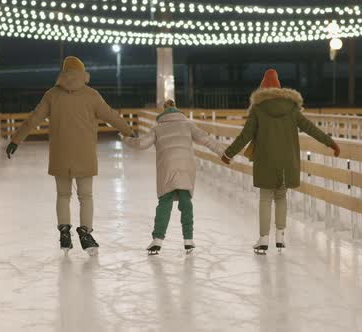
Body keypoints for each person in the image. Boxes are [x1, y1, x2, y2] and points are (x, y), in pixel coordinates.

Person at [5, 56, 134, 256]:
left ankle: (64, 233)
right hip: (85, 153)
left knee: (63, 195)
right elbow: (111, 115)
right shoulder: (92, 95)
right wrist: (128, 131)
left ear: (63, 74)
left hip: (60, 153)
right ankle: (86, 234)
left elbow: (33, 120)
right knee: (86, 196)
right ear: (83, 73)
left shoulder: (52, 95)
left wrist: (15, 140)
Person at [221, 69, 340, 254]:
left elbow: (245, 136)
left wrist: (228, 154)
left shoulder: (258, 109)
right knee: (281, 196)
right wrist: (330, 142)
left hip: (265, 160)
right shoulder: (292, 108)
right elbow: (310, 128)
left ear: (262, 90)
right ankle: (280, 236)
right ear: (279, 88)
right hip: (287, 161)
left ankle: (263, 239)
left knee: (265, 198)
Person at [123, 100, 225, 255]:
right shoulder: (188, 124)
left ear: (163, 112)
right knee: (186, 202)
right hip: (186, 166)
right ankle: (188, 240)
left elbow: (141, 143)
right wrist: (223, 153)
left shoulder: (158, 128)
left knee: (165, 203)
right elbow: (206, 139)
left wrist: (125, 138)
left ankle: (157, 240)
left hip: (167, 166)